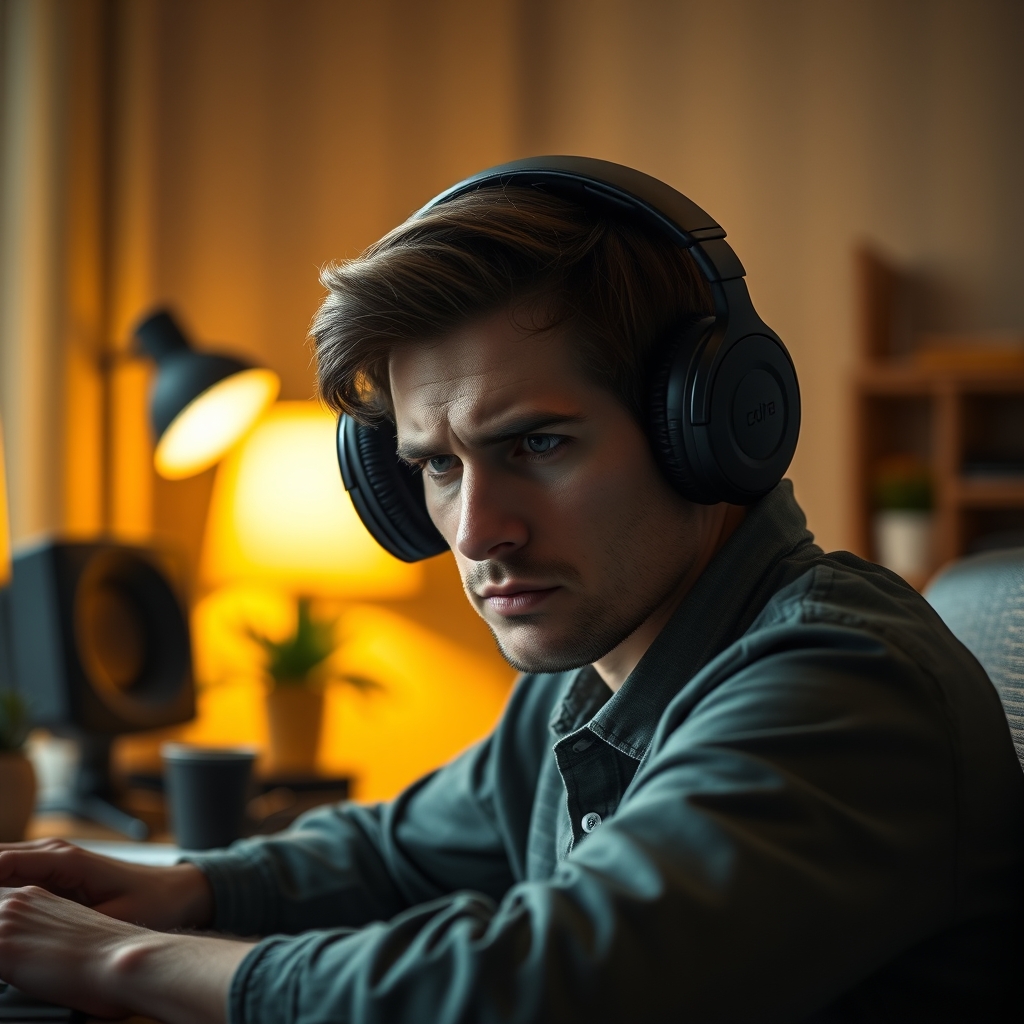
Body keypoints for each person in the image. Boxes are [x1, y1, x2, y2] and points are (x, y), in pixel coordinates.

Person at [0, 161, 1021, 1024]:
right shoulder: (591, 671)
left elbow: (537, 985)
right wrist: (180, 887)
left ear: (701, 426)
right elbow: (399, 852)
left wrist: (119, 959)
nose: (479, 530)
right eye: (437, 466)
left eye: (537, 442)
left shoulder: (838, 682)